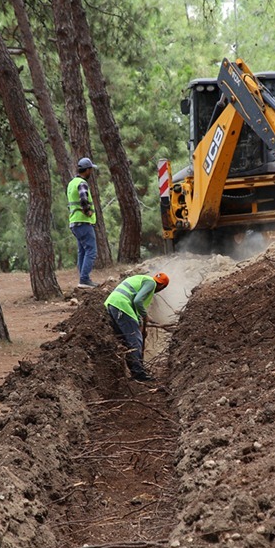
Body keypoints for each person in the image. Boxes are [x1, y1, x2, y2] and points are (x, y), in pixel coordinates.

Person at [105, 272, 169, 382]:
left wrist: (140, 324)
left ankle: (134, 370)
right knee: (135, 340)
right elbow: (137, 301)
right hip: (122, 306)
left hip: (113, 304)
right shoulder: (151, 284)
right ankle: (138, 373)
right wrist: (145, 315)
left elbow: (135, 305)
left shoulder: (142, 280)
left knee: (126, 340)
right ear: (162, 286)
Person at [68, 157, 98, 289]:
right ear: (87, 170)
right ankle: (84, 279)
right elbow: (83, 199)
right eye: (91, 169)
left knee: (82, 251)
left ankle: (83, 278)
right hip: (83, 221)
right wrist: (88, 212)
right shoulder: (82, 183)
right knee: (91, 250)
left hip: (75, 222)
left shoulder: (71, 183)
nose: (91, 172)